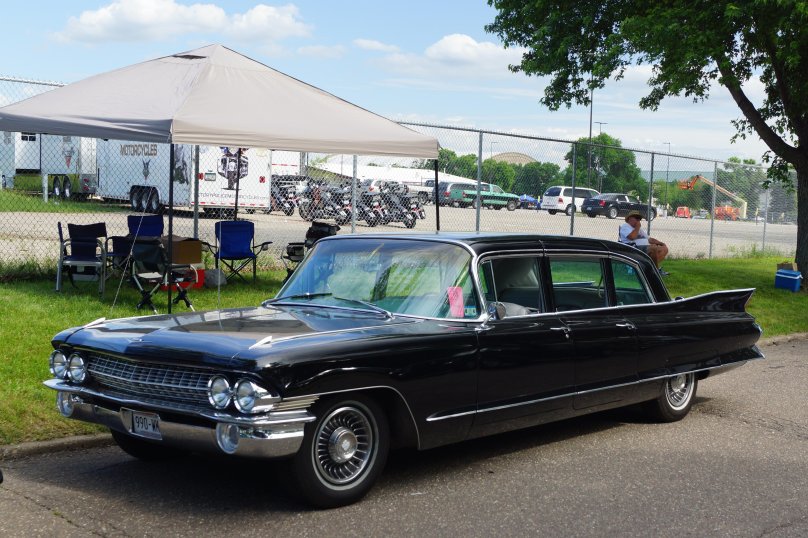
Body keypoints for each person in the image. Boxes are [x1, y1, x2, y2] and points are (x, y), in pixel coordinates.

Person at [619, 210, 670, 275]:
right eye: (636, 218)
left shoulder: (639, 229)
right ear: (629, 218)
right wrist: (637, 227)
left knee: (664, 249)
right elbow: (632, 237)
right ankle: (655, 271)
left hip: (643, 247)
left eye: (639, 219)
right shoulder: (625, 226)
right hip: (632, 248)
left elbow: (650, 239)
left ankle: (648, 268)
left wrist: (661, 243)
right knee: (653, 248)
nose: (638, 220)